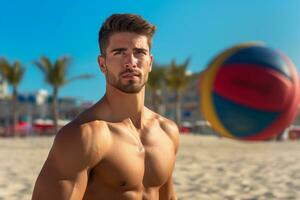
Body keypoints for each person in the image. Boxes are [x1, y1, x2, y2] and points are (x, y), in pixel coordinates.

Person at [32, 13, 180, 200]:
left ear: (149, 62)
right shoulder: (84, 135)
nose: (131, 62)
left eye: (139, 53)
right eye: (119, 52)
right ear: (102, 64)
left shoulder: (167, 131)